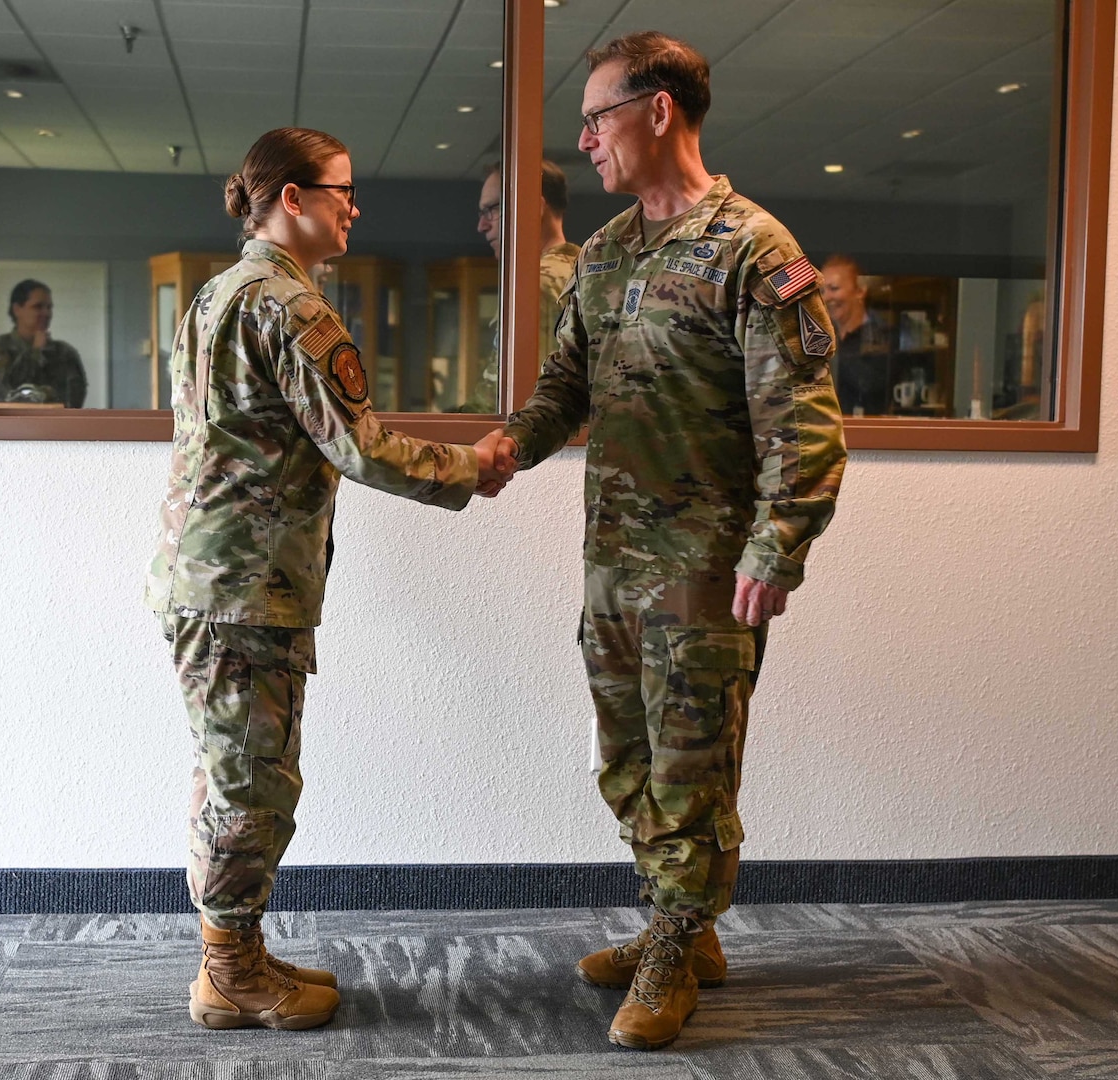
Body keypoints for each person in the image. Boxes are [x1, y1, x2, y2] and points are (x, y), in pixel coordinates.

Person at [483, 32, 847, 1050]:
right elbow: (568, 388)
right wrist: (511, 442)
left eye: (598, 117)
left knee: (692, 767)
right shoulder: (603, 255)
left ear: (658, 111)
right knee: (628, 760)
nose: (586, 140)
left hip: (704, 566)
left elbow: (804, 424)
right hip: (613, 562)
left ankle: (675, 946)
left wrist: (778, 550)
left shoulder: (754, 251)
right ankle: (683, 928)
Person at [144, 127, 511, 1033]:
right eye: (342, 191)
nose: (356, 206)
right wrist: (472, 467)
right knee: (252, 782)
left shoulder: (218, 293)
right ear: (293, 200)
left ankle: (236, 951)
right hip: (244, 586)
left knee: (230, 771)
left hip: (209, 575)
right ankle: (226, 972)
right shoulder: (291, 307)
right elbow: (358, 445)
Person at [454, 160, 581, 413]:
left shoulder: (536, 286)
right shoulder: (585, 271)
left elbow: (510, 404)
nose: (482, 225)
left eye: (492, 209)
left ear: (534, 206)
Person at [0, 280, 87, 406]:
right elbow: (10, 392)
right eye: (38, 307)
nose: (46, 313)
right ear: (17, 309)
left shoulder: (65, 352)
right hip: (8, 423)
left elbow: (74, 400)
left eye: (49, 307)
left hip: (56, 424)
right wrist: (35, 352)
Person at [820, 255, 891, 415]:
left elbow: (869, 384)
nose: (826, 298)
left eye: (834, 289)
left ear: (859, 291)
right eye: (822, 291)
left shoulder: (879, 337)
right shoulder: (819, 338)